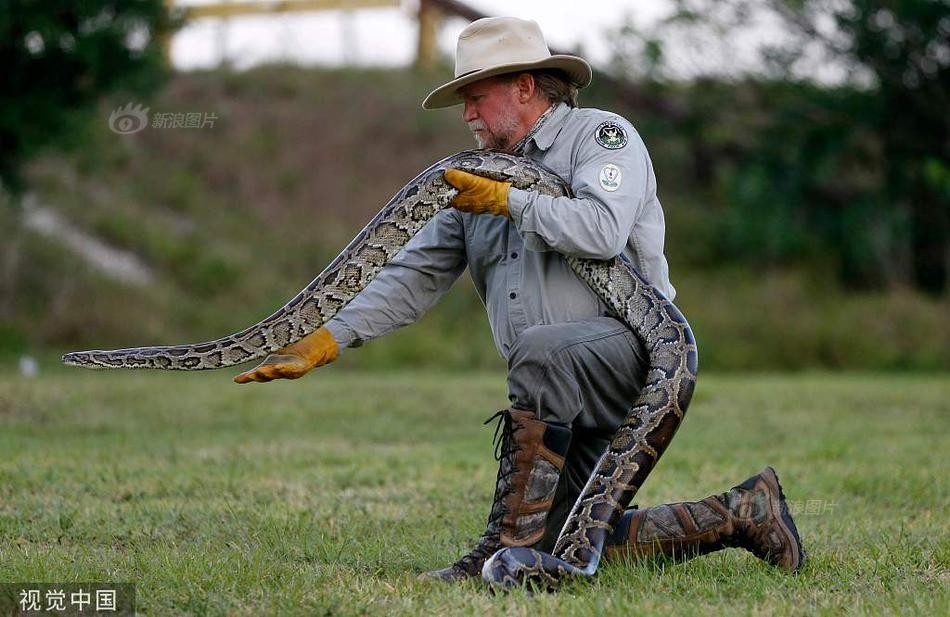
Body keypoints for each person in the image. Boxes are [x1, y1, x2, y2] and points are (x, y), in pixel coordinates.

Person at [234, 17, 805, 581]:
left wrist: (512, 203)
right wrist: (331, 337)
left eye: (476, 97)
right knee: (567, 537)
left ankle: (497, 552)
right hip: (551, 393)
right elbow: (415, 274)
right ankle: (745, 512)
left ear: (525, 87)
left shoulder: (604, 137)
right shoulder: (474, 179)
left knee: (542, 351)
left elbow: (602, 231)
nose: (467, 114)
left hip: (634, 356)